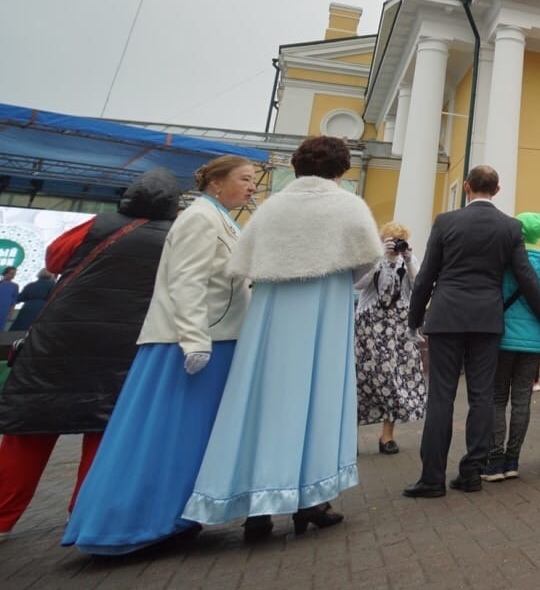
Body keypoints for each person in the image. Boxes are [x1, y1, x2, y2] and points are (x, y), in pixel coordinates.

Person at [182, 136, 378, 539]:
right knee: (318, 399)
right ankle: (312, 499)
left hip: (270, 313)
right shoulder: (347, 205)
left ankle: (257, 507)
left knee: (262, 401)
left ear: (298, 166)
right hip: (324, 306)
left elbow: (244, 261)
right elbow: (367, 264)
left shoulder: (272, 207)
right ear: (341, 170)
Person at [63, 155, 257, 554]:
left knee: (186, 437)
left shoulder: (219, 218)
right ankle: (135, 523)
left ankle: (173, 516)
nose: (252, 186)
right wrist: (194, 339)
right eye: (244, 178)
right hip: (192, 344)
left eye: (253, 180)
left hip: (212, 339)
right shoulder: (201, 219)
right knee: (167, 435)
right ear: (216, 183)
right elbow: (186, 281)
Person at [0, 170, 180, 540]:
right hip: (124, 342)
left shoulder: (98, 225)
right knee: (104, 429)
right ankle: (84, 514)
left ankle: (2, 515)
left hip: (59, 338)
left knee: (30, 430)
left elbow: (53, 259)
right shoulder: (173, 238)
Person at [404, 165, 540, 498]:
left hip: (445, 316)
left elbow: (426, 275)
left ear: (467, 187)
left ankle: (432, 478)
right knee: (482, 396)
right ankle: (471, 472)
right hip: (487, 320)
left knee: (441, 396)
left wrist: (414, 319)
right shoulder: (510, 226)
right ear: (498, 190)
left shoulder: (445, 222)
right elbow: (526, 276)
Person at [484, 212, 540, 482]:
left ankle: (493, 461)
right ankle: (513, 461)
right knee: (522, 400)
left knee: (497, 398)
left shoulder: (504, 260)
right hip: (534, 339)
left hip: (502, 337)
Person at [355, 222, 427, 456]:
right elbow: (358, 284)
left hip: (398, 328)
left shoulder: (409, 260)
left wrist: (407, 259)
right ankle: (349, 435)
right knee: (364, 379)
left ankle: (387, 435)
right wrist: (379, 258)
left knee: (395, 379)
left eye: (399, 240)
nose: (395, 245)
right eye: (391, 240)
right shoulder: (372, 258)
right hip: (370, 327)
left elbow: (419, 287)